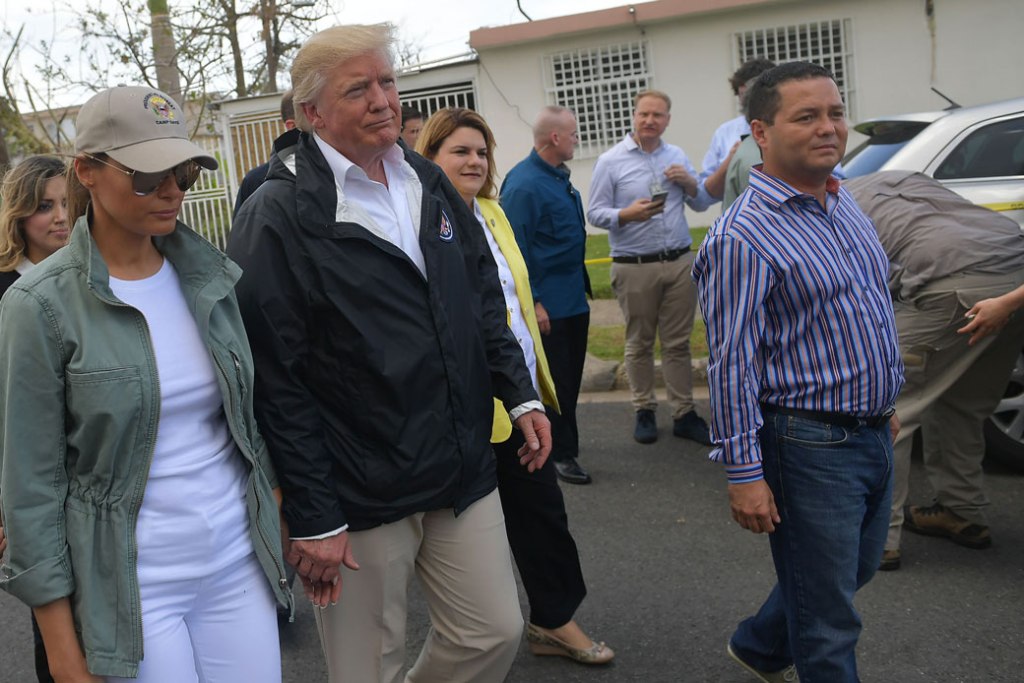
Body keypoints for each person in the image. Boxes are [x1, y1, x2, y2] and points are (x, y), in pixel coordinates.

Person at [226, 24, 552, 683]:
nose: (383, 99)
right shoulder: (278, 213)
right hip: (360, 485)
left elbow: (480, 295)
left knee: (493, 629)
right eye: (358, 89)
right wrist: (314, 511)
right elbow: (275, 378)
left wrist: (517, 391)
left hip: (459, 465)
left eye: (387, 82)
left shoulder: (427, 181)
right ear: (312, 113)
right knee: (367, 666)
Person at [0, 86, 289, 682]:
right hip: (131, 588)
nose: (172, 190)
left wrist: (277, 509)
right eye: (147, 175)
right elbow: (31, 485)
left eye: (182, 171)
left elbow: (246, 419)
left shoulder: (209, 276)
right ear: (87, 171)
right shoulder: (39, 304)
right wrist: (61, 649)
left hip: (237, 567)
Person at [693, 62, 904, 681]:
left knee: (851, 572)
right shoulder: (742, 236)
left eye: (835, 113)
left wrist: (885, 405)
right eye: (805, 116)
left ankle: (759, 646)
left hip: (871, 429)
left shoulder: (843, 201)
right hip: (810, 444)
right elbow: (731, 362)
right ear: (761, 131)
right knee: (830, 619)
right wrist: (743, 473)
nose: (828, 128)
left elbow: (869, 307)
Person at [416, 107, 613, 666]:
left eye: (481, 151)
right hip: (464, 408)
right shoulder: (423, 221)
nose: (475, 161)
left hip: (519, 398)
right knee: (455, 532)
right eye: (459, 151)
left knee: (541, 513)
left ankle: (552, 619)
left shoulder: (493, 213)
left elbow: (507, 299)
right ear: (429, 159)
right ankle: (469, 635)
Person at [845, 170, 1024, 570]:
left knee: (890, 408)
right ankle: (962, 512)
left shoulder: (834, 211)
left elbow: (858, 298)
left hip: (952, 282)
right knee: (960, 402)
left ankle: (880, 539)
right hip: (1015, 281)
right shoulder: (902, 176)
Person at [587, 89, 715, 446]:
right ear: (634, 115)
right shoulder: (611, 161)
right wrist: (625, 215)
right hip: (634, 265)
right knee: (639, 342)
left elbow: (702, 201)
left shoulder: (676, 155)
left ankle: (684, 413)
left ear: (667, 120)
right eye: (644, 114)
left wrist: (690, 182)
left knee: (677, 343)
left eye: (657, 115)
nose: (650, 121)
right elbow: (594, 213)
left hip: (677, 261)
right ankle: (644, 409)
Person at [0, 154, 69, 683]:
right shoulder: (7, 293)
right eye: (45, 206)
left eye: (68, 203)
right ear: (19, 214)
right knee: (56, 625)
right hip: (32, 492)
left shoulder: (92, 278)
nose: (60, 217)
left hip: (91, 483)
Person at [500, 106, 593, 485]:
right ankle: (560, 454)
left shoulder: (557, 178)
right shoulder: (523, 185)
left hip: (572, 300)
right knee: (557, 383)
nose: (576, 139)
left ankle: (563, 440)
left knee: (570, 380)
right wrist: (534, 300)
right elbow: (514, 248)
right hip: (549, 307)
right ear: (554, 138)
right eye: (572, 133)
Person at [698, 58, 776, 201]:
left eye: (756, 95)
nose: (749, 102)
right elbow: (704, 197)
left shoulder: (791, 130)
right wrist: (730, 162)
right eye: (743, 96)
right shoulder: (725, 133)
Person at [233, 89, 296, 215]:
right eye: (312, 114)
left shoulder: (340, 172)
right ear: (292, 126)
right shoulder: (255, 182)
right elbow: (242, 233)